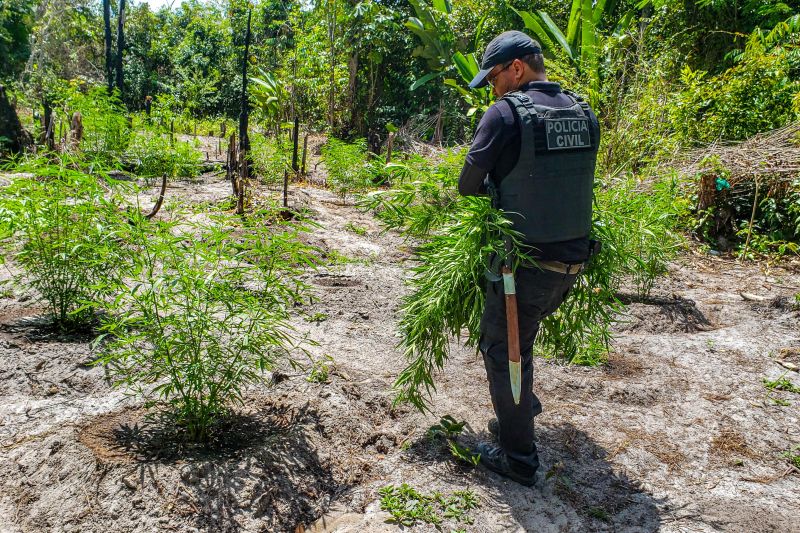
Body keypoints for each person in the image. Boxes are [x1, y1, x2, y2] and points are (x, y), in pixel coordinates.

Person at [459, 31, 600, 486]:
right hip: (573, 265)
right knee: (520, 342)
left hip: (524, 268)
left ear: (516, 68)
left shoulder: (504, 115)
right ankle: (517, 411)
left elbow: (466, 185)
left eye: (495, 77)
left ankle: (519, 459)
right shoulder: (583, 112)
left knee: (505, 353)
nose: (494, 87)